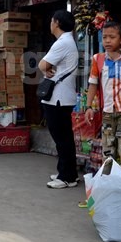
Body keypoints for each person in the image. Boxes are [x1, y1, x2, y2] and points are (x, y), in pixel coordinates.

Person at [84, 21, 121, 162]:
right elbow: (93, 84)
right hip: (107, 112)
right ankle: (109, 180)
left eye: (112, 37)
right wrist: (88, 107)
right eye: (104, 37)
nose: (107, 41)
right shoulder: (97, 59)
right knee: (107, 150)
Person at [39, 10, 79, 189]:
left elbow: (42, 64)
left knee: (61, 138)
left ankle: (67, 176)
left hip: (58, 98)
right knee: (64, 138)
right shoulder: (67, 41)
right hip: (62, 96)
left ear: (56, 23)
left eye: (52, 21)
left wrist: (45, 67)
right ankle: (67, 172)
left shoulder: (62, 43)